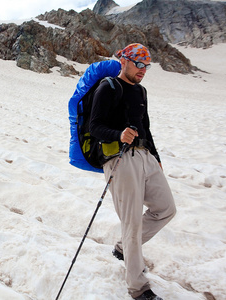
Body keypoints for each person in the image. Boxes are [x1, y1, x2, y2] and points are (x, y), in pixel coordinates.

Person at [89, 44, 176, 300]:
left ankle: (123, 248)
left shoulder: (141, 91)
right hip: (120, 160)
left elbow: (145, 127)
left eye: (147, 66)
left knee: (166, 209)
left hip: (145, 156)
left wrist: (155, 156)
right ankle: (138, 288)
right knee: (132, 222)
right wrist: (119, 134)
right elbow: (95, 126)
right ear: (124, 61)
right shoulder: (108, 87)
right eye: (139, 64)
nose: (143, 71)